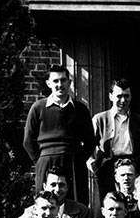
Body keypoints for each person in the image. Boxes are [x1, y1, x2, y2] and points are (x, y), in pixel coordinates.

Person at [23, 65, 94, 204]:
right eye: (55, 81)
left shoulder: (80, 109)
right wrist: (41, 160)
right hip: (46, 161)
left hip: (73, 162)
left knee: (76, 204)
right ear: (48, 83)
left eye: (63, 80)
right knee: (46, 204)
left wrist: (78, 159)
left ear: (69, 82)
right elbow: (28, 141)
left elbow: (90, 141)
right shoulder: (38, 108)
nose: (59, 85)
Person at [88, 78, 140, 199]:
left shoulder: (139, 121)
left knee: (133, 202)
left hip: (132, 166)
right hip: (107, 168)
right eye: (119, 96)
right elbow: (87, 146)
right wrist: (94, 166)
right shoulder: (99, 119)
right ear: (111, 96)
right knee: (110, 204)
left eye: (126, 96)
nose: (123, 100)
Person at [22, 166, 92, 218]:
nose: (57, 189)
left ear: (67, 187)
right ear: (44, 186)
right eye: (53, 185)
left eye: (61, 185)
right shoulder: (30, 213)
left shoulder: (81, 211)